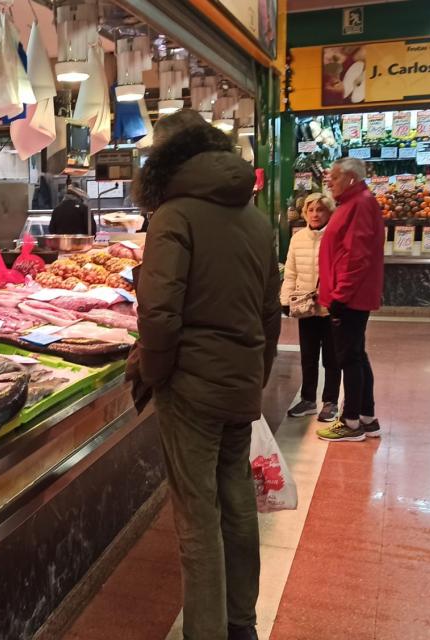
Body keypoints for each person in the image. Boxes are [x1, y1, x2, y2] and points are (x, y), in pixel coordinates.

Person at [128, 109, 281, 640]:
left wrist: (154, 373)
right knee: (238, 505)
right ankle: (242, 626)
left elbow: (159, 312)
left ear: (166, 161)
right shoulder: (256, 218)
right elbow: (269, 312)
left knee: (198, 522)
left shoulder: (175, 215)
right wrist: (254, 378)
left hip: (190, 387)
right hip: (238, 384)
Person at [316, 157, 385, 442]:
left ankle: (351, 422)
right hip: (352, 296)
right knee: (357, 355)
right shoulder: (354, 203)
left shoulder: (359, 204)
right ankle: (367, 417)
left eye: (333, 176)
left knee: (348, 358)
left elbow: (356, 257)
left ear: (351, 179)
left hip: (350, 297)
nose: (329, 181)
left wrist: (340, 297)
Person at [281, 192, 341, 423]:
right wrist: (285, 300)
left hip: (330, 306)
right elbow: (290, 272)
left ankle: (330, 401)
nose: (315, 214)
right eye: (311, 210)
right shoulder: (297, 239)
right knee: (308, 355)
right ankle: (308, 399)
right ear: (305, 213)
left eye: (320, 210)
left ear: (329, 212)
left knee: (332, 357)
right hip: (305, 307)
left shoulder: (336, 237)